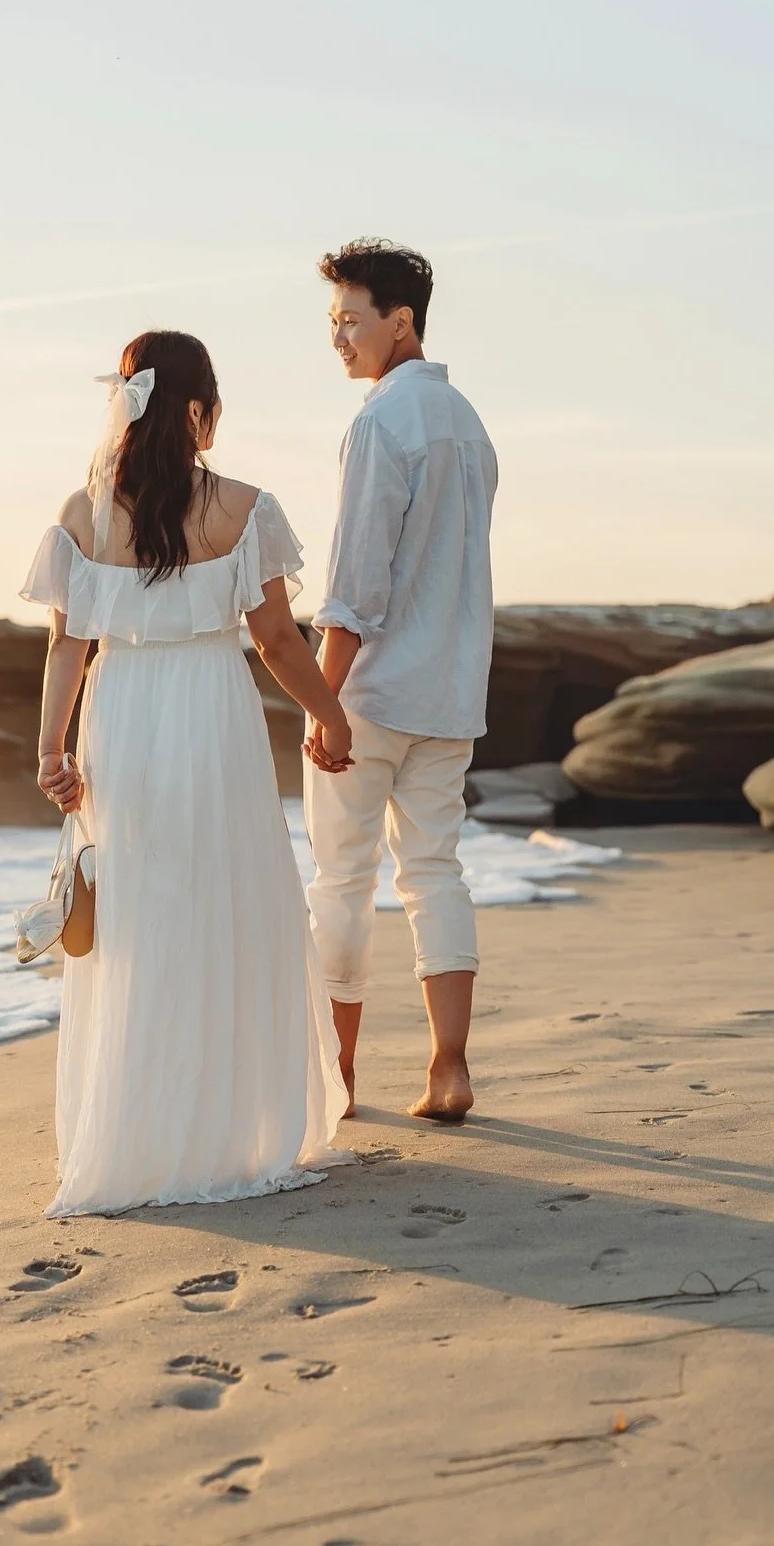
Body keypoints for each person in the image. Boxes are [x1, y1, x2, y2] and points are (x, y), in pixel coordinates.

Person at [20, 330, 352, 1217]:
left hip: (120, 721)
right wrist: (329, 713)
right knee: (226, 905)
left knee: (138, 920)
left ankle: (138, 1137)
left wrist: (52, 751)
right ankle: (231, 1128)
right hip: (212, 713)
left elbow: (67, 644)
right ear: (202, 410)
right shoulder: (245, 507)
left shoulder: (83, 513)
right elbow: (279, 642)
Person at [304, 239, 498, 1123]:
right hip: (452, 690)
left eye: (351, 319)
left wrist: (320, 700)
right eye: (332, 321)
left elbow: (356, 580)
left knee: (342, 878)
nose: (338, 337)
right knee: (434, 872)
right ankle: (448, 1068)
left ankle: (338, 1075)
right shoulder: (469, 423)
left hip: (372, 695)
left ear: (402, 320)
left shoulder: (382, 424)